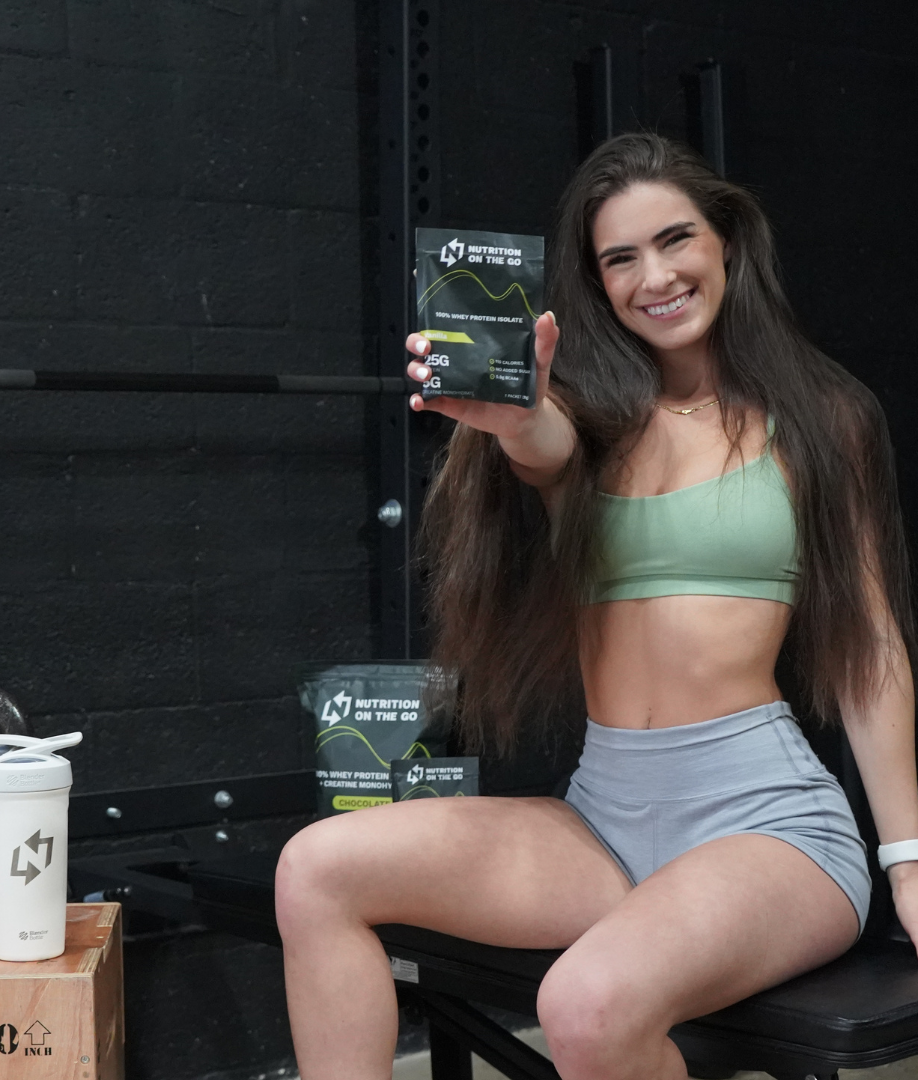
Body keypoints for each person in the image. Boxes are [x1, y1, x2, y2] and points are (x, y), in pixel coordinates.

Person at [274, 133, 918, 1080]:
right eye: (621, 259)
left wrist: (908, 857)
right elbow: (541, 440)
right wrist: (504, 414)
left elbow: (869, 650)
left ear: (726, 244)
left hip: (769, 828)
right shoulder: (593, 419)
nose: (654, 276)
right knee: (315, 869)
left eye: (675, 240)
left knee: (582, 1005)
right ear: (596, 282)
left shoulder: (825, 420)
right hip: (603, 820)